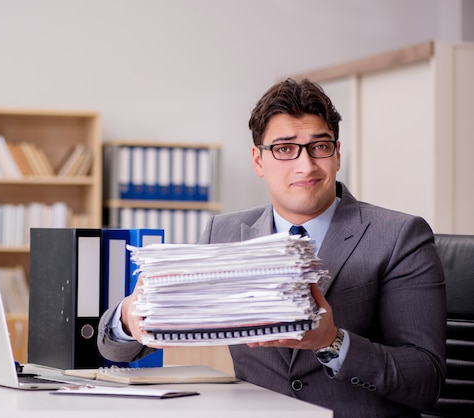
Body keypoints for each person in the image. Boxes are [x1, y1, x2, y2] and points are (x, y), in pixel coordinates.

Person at [97, 78, 447, 417]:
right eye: (284, 149)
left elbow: (425, 379)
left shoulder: (399, 235)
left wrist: (332, 341)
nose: (306, 165)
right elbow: (115, 348)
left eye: (320, 146)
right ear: (258, 160)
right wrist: (129, 319)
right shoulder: (224, 232)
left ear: (337, 154)